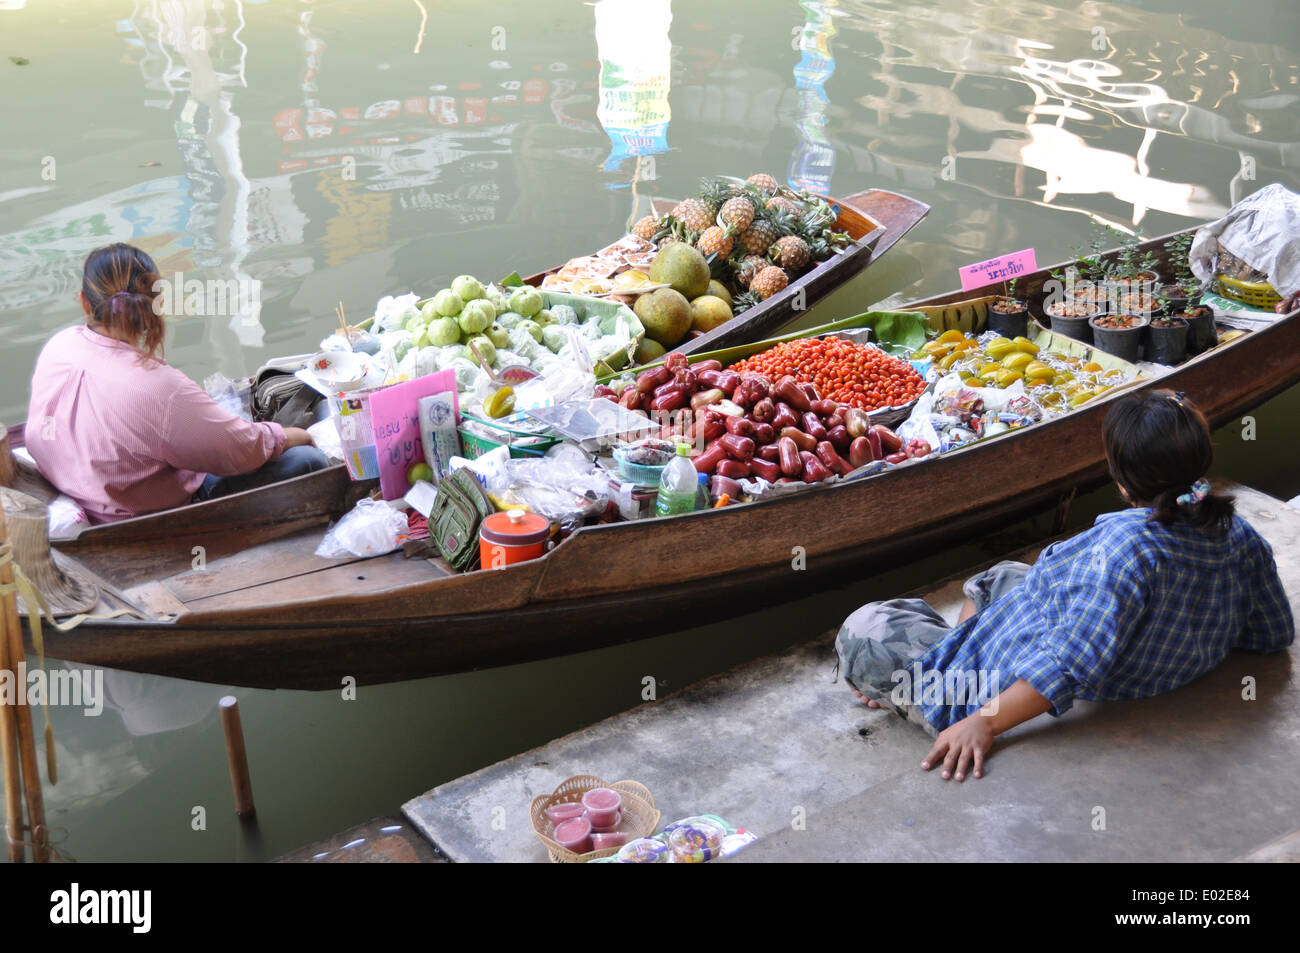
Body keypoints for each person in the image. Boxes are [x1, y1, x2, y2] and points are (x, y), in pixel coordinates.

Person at [835, 389, 1294, 783]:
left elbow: (1066, 665)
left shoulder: (1125, 551)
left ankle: (917, 685)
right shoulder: (1239, 534)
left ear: (1122, 481)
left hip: (1018, 677)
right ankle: (940, 652)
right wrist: (1191, 623)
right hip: (1118, 638)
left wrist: (983, 723)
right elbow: (1272, 634)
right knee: (1001, 576)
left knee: (864, 629)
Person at [25, 243, 328, 524]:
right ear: (156, 304)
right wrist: (289, 435)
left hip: (76, 489)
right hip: (138, 518)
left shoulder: (59, 346)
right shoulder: (158, 388)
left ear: (84, 303)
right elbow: (242, 452)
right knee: (308, 461)